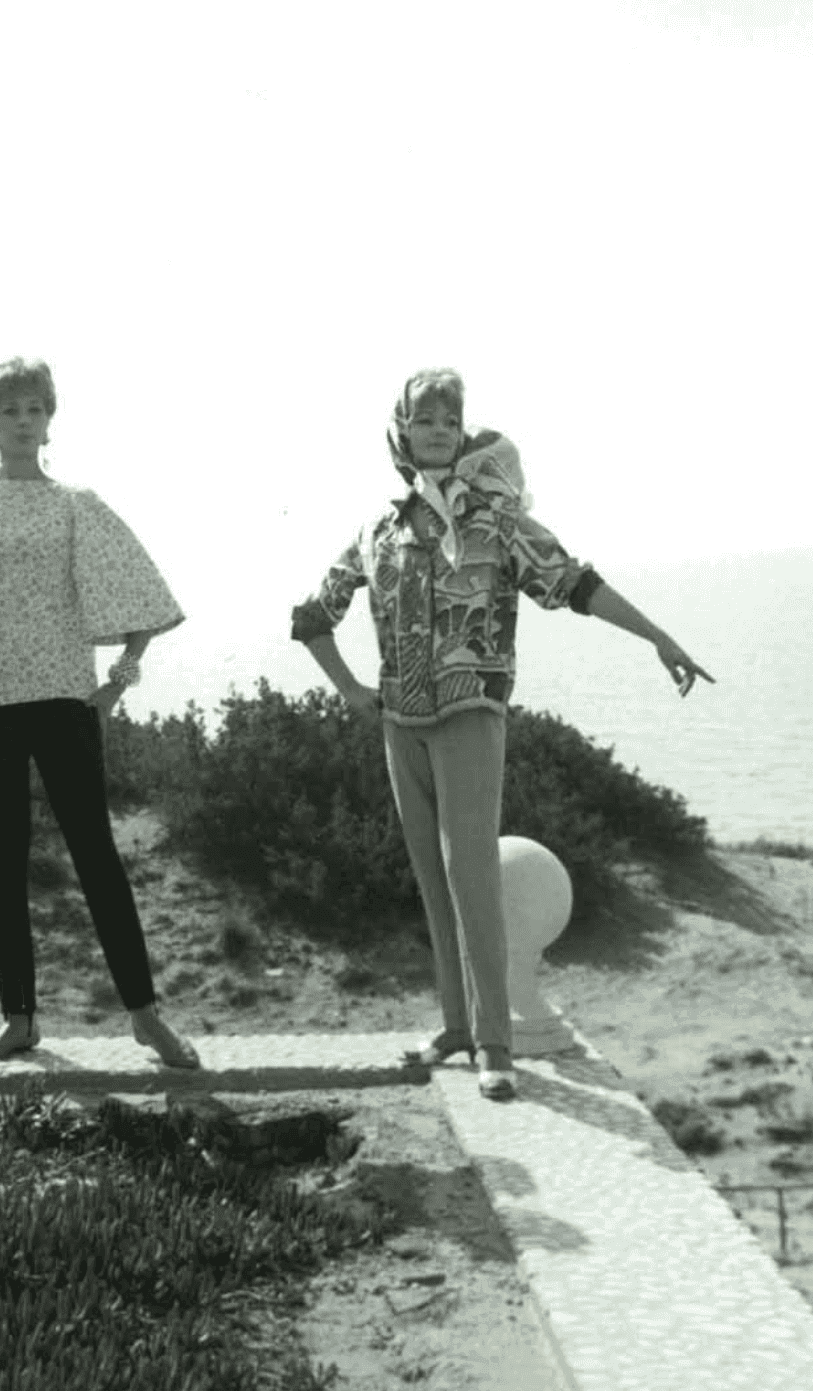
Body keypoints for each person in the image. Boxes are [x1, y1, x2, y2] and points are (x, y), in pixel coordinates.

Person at [292, 369, 712, 1099]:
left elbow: (575, 583)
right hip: (402, 722)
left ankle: (495, 1044)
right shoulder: (375, 530)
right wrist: (353, 691)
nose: (439, 431)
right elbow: (310, 617)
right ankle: (455, 1026)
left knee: (472, 873)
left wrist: (658, 636)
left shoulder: (494, 519)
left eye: (450, 422)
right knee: (431, 877)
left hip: (471, 714)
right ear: (401, 431)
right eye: (425, 420)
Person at [0, 357, 199, 1067]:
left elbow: (144, 591)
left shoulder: (76, 503)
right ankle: (18, 1020)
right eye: (10, 410)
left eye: (35, 410)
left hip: (64, 703)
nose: (23, 422)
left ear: (50, 420)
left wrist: (120, 678)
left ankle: (145, 1018)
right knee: (1, 864)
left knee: (97, 856)